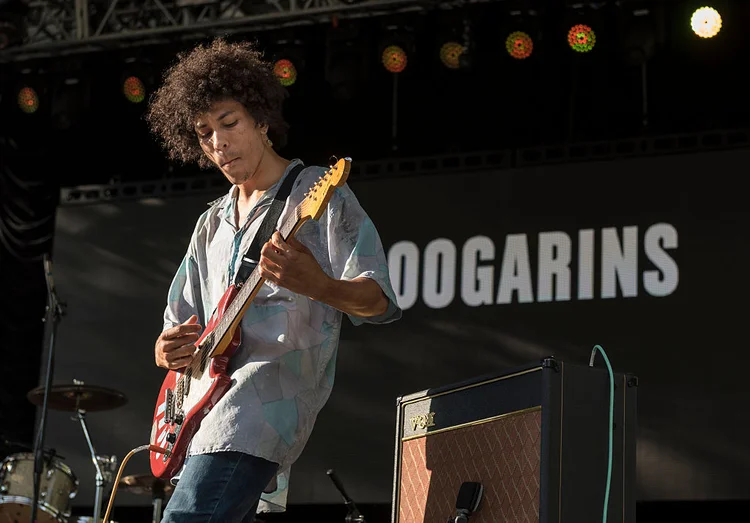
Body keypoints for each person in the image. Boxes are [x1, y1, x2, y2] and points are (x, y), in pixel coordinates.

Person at [145, 37, 402, 522]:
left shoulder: (319, 195)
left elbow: (380, 302)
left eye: (229, 123)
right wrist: (166, 350)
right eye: (203, 133)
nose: (218, 142)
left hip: (263, 409)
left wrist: (320, 286)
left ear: (262, 122)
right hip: (202, 414)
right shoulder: (210, 224)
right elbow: (175, 332)